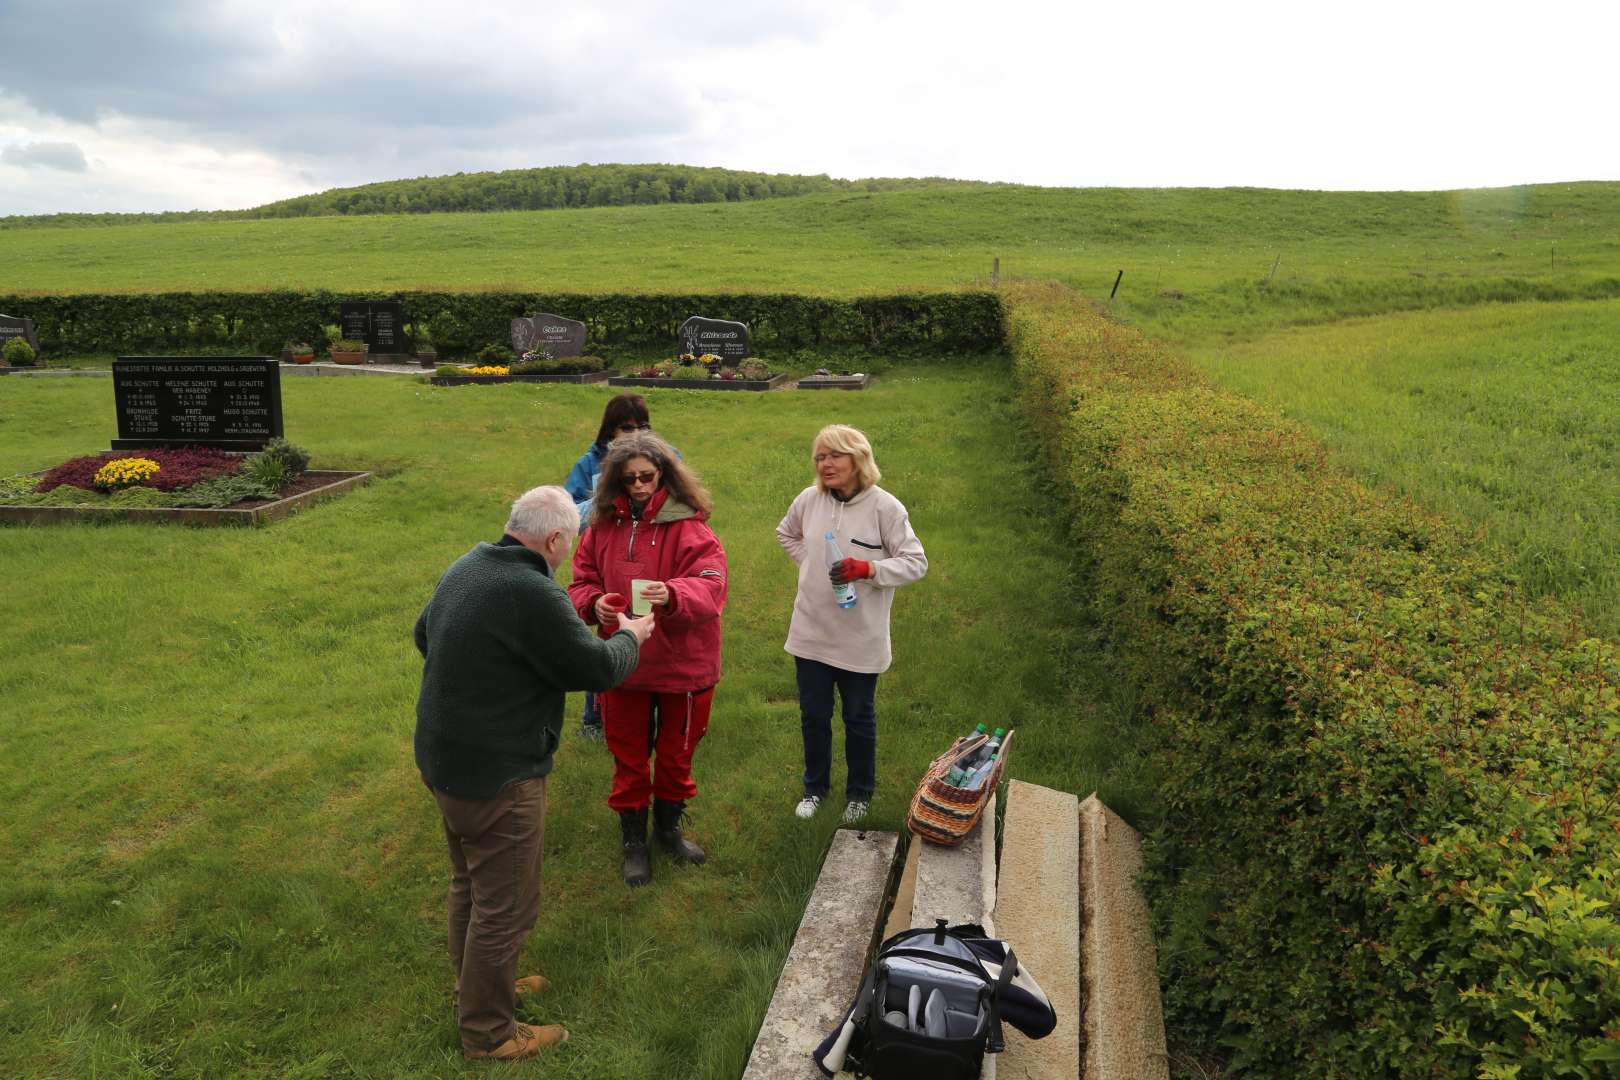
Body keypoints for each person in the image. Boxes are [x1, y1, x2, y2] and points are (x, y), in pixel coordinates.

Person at [414, 485, 656, 1061]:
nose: (568, 554)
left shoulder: (469, 564)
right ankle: (489, 1033)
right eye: (568, 545)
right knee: (505, 905)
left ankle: (480, 985)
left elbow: (425, 634)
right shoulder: (531, 588)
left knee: (470, 883)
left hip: (446, 759)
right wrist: (631, 635)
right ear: (552, 539)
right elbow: (597, 667)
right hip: (501, 772)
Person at [567, 431, 728, 887]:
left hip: (684, 666)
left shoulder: (693, 527)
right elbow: (579, 582)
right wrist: (593, 603)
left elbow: (714, 587)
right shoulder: (599, 527)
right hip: (624, 663)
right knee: (629, 757)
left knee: (676, 756)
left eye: (647, 477)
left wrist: (674, 593)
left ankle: (668, 830)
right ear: (614, 481)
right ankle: (634, 841)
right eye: (629, 478)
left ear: (665, 476)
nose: (638, 486)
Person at [776, 424, 928, 825]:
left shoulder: (886, 508)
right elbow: (786, 533)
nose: (825, 464)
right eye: (820, 457)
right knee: (814, 715)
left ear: (858, 458)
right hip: (810, 631)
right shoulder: (809, 500)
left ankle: (859, 794)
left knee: (858, 717)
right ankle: (815, 788)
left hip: (860, 637)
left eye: (834, 456)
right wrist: (810, 563)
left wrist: (869, 569)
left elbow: (916, 562)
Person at [563, 394, 653, 743]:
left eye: (642, 427)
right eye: (626, 428)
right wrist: (606, 490)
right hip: (603, 559)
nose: (635, 435)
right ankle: (594, 718)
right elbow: (570, 513)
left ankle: (647, 710)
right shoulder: (591, 463)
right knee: (605, 634)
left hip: (648, 557)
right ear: (610, 431)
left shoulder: (662, 457)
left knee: (647, 629)